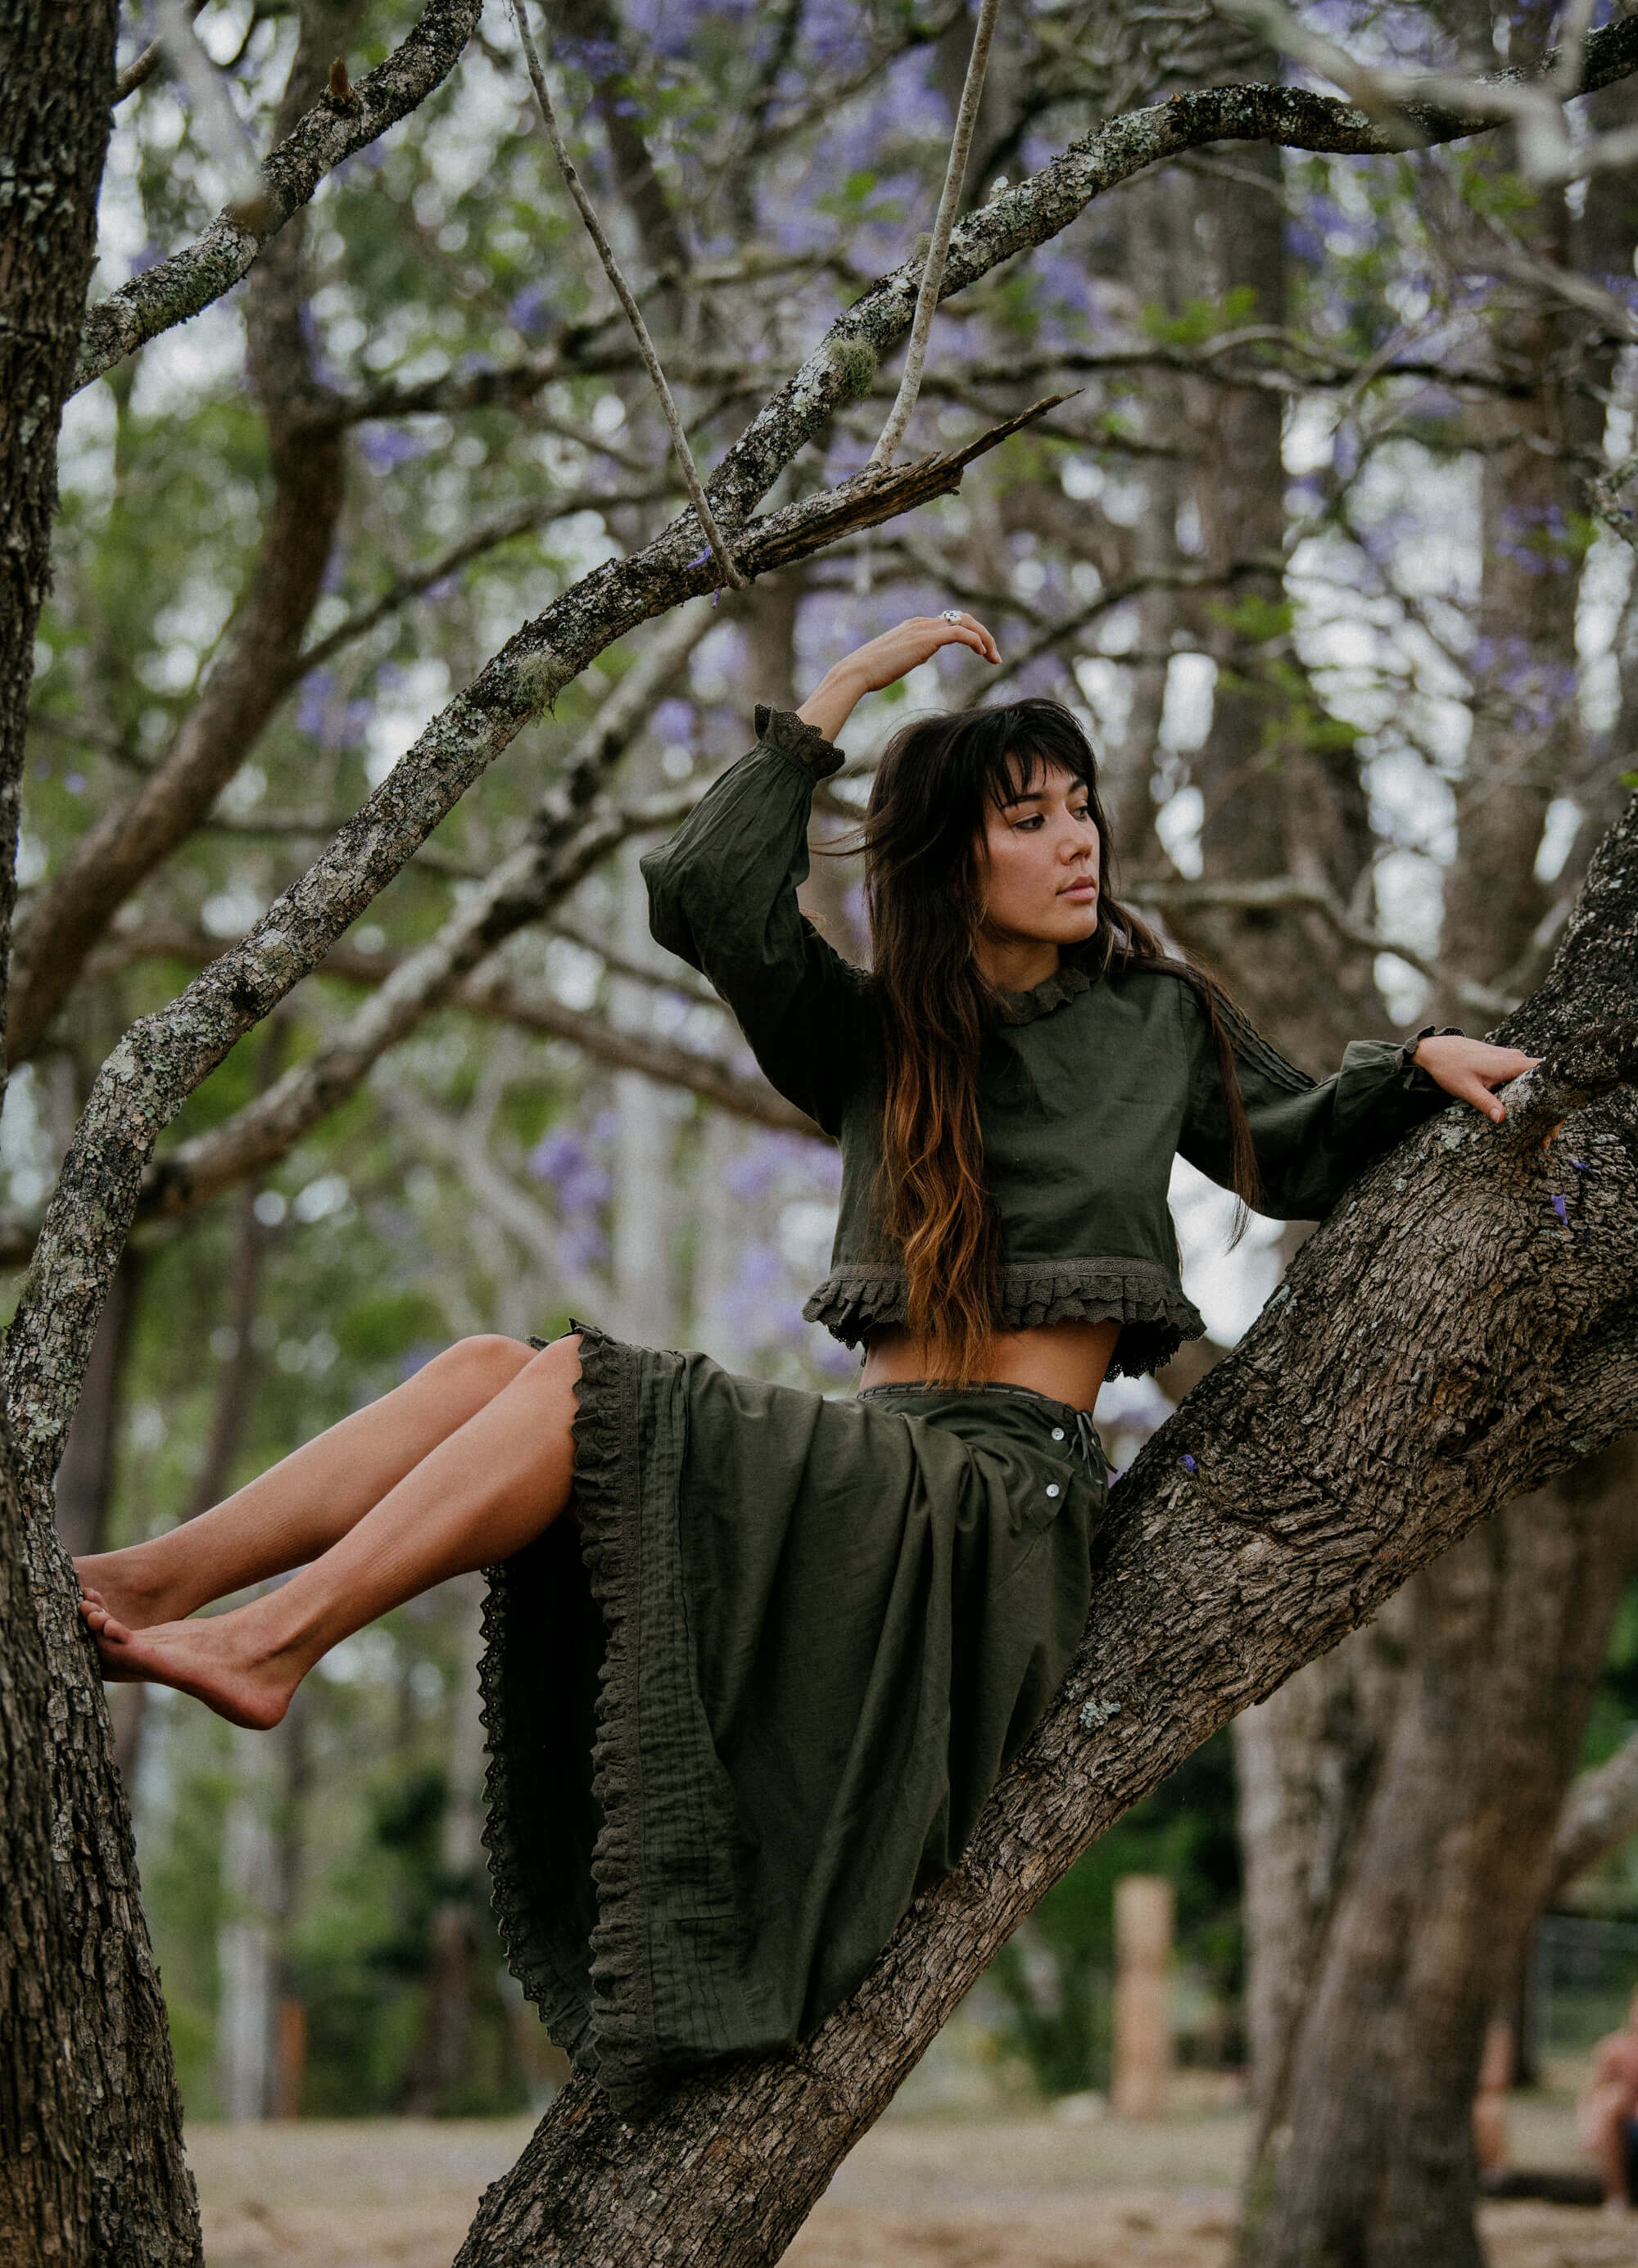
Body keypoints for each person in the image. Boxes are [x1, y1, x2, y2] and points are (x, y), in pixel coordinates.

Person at [80, 612, 1536, 2112]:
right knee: (479, 1368)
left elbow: (1298, 1145)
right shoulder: (877, 1038)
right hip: (874, 1482)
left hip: (995, 1510)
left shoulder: (1154, 1017)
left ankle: (273, 1645)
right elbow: (711, 894)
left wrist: (1416, 1062)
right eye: (1026, 819)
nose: (1076, 843)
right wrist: (837, 698)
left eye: (1080, 808)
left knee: (576, 1385)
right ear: (950, 860)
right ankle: (148, 1584)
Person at [1577, 1986, 1638, 2210]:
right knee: (1613, 2099)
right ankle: (1617, 2196)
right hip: (1626, 2131)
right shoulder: (1614, 2050)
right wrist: (1589, 2129)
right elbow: (1592, 2095)